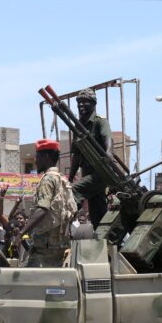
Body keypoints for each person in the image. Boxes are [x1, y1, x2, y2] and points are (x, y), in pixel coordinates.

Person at [18, 139, 76, 267]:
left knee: (30, 277)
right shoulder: (61, 179)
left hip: (45, 245)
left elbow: (42, 209)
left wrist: (22, 232)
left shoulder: (48, 179)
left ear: (46, 157)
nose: (35, 161)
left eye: (37, 157)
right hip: (59, 243)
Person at [66, 88, 112, 229]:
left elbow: (108, 139)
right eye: (79, 102)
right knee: (97, 212)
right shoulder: (78, 126)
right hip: (88, 174)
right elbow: (76, 155)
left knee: (73, 191)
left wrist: (109, 152)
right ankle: (103, 236)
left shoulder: (100, 122)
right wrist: (69, 179)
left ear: (93, 103)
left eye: (85, 101)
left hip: (100, 172)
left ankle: (65, 223)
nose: (81, 105)